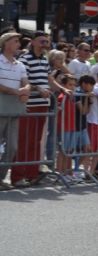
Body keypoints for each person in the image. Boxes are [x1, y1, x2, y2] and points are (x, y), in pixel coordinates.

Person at [13, 31, 67, 187]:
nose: (45, 44)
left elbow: (49, 79)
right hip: (29, 104)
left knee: (36, 141)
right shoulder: (24, 59)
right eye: (42, 41)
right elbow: (24, 81)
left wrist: (62, 89)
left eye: (47, 41)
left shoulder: (44, 60)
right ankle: (18, 176)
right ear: (34, 42)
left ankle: (32, 174)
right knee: (24, 141)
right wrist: (38, 88)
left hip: (43, 104)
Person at [0, 32, 31, 190]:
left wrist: (25, 89)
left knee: (12, 147)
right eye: (15, 41)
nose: (19, 44)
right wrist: (16, 92)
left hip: (14, 109)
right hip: (1, 107)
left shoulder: (20, 65)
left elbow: (26, 83)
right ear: (6, 44)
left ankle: (0, 178)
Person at [55, 74, 77, 180]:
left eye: (73, 85)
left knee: (69, 151)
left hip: (71, 127)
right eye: (69, 84)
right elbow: (58, 109)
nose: (72, 87)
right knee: (62, 151)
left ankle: (68, 172)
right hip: (63, 128)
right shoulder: (62, 97)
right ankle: (60, 173)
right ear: (63, 85)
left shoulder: (72, 96)